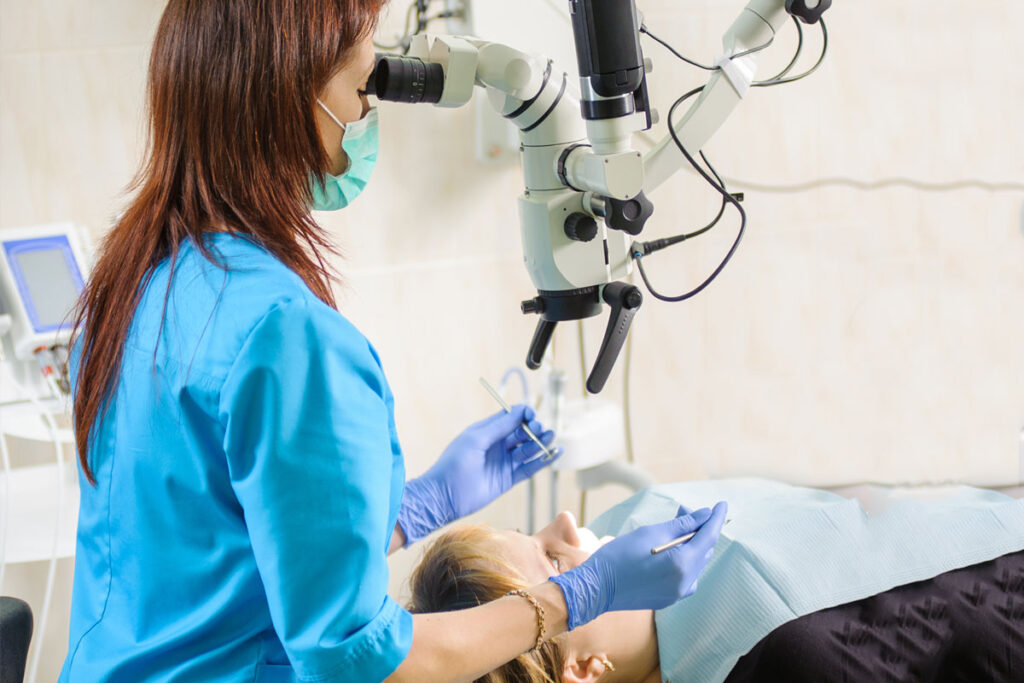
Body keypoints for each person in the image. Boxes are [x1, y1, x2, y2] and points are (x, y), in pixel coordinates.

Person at [59, 2, 726, 681]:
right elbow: (355, 659)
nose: (366, 113)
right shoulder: (285, 337)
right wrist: (578, 595)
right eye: (360, 89)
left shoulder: (137, 284)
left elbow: (215, 551)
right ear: (291, 104)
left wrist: (415, 507)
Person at [408, 480, 1024, 682]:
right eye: (555, 563)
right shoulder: (792, 657)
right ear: (584, 669)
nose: (569, 520)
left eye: (533, 530)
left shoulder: (637, 518)